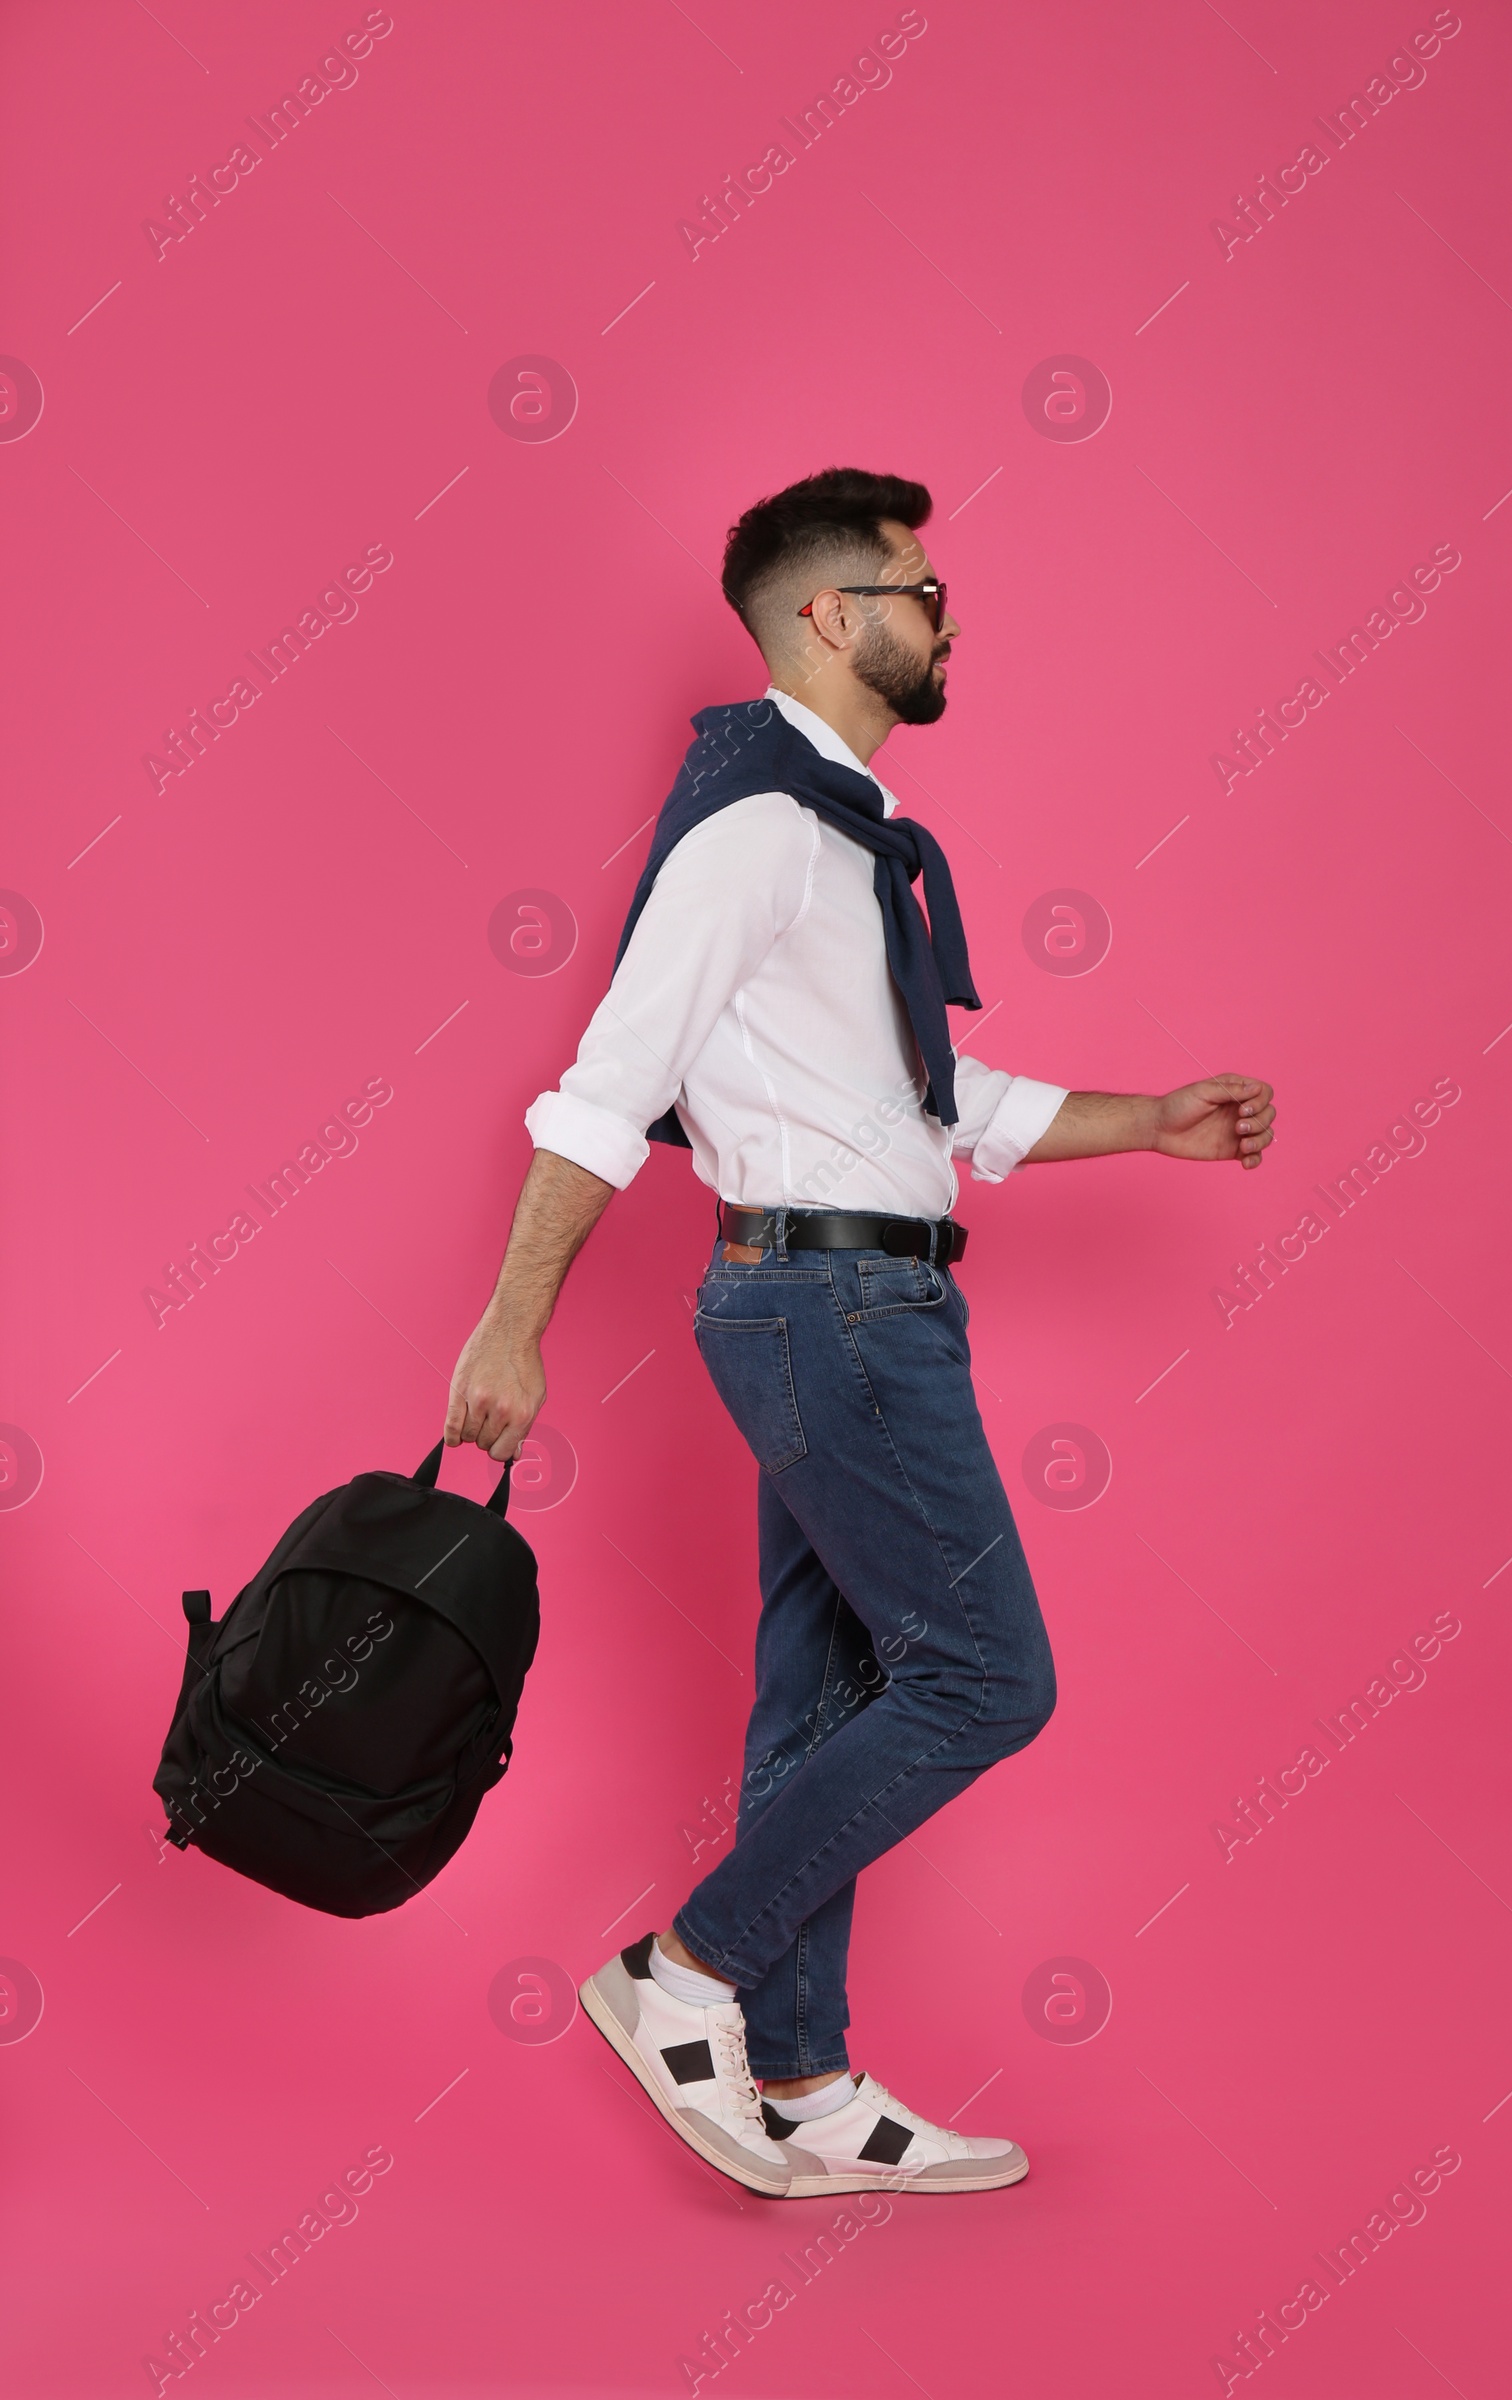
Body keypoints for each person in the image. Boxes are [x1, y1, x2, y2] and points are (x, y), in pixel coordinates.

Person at [445, 467, 1275, 2199]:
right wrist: (512, 1326)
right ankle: (687, 1973)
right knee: (986, 1681)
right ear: (834, 618)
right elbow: (610, 1086)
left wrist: (1152, 1122)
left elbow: (924, 1098)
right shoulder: (753, 830)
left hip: (865, 1290)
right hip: (827, 1305)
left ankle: (805, 2082)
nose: (948, 616)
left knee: (822, 1698)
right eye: (922, 589)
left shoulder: (835, 840)